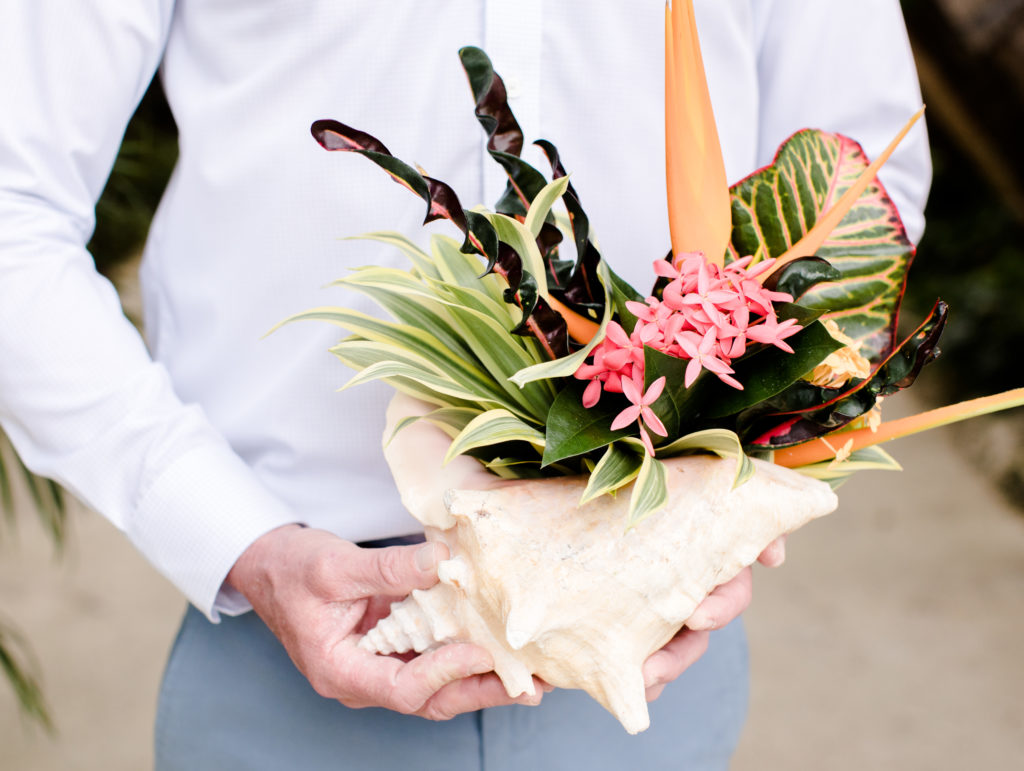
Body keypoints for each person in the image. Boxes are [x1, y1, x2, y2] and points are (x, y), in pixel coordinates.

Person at [0, 1, 930, 768]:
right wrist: (230, 535)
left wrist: (728, 493)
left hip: (650, 660)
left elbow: (860, 177)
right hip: (286, 654)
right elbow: (13, 207)